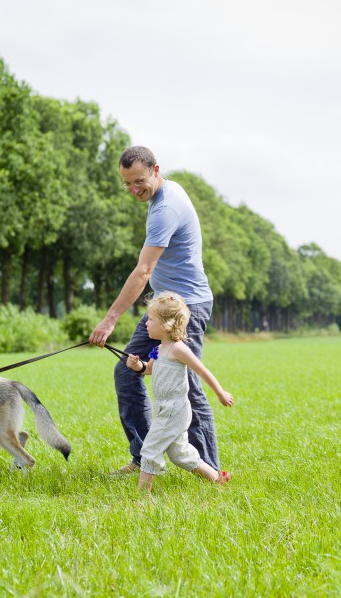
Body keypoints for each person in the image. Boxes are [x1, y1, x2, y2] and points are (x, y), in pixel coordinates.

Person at [89, 145, 219, 475]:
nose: (134, 190)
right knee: (127, 370)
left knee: (187, 383)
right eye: (127, 184)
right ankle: (144, 454)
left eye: (139, 181)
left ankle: (211, 470)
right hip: (163, 304)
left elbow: (144, 270)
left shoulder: (166, 208)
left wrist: (110, 318)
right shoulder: (163, 194)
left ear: (156, 170)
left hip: (186, 307)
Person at [125, 292, 233, 494]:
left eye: (151, 319)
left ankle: (141, 497)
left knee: (150, 448)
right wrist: (137, 365)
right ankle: (217, 478)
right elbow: (149, 369)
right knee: (180, 454)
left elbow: (202, 370)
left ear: (166, 324)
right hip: (163, 407)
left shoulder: (178, 349)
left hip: (175, 408)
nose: (146, 323)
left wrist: (220, 392)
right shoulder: (158, 349)